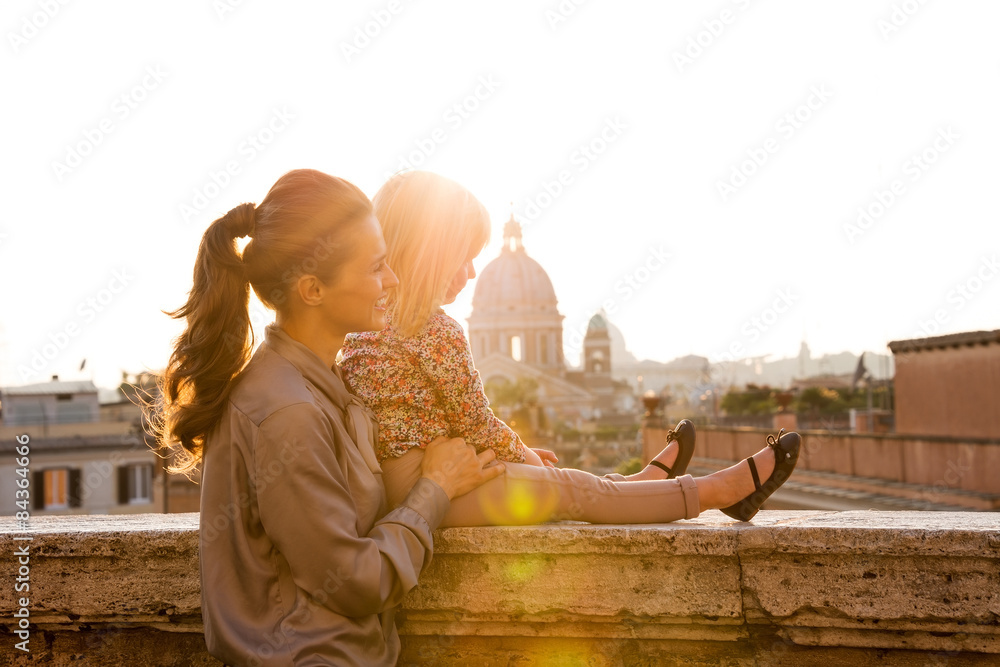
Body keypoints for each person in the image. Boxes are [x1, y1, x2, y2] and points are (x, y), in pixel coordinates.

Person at [157, 169, 505, 666]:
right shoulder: (288, 412)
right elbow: (355, 582)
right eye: (376, 268)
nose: (394, 280)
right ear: (313, 289)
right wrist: (437, 487)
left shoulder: (317, 386)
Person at [341, 170, 802, 527]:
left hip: (409, 482)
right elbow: (474, 423)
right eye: (464, 256)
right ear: (431, 253)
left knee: (570, 485)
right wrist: (521, 453)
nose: (474, 273)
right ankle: (717, 491)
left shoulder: (369, 319)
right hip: (431, 488)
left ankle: (642, 484)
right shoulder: (431, 328)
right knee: (570, 491)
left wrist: (518, 453)